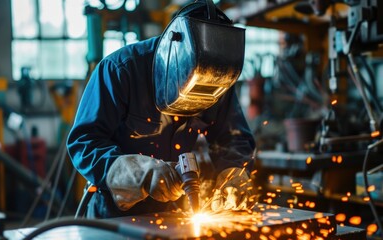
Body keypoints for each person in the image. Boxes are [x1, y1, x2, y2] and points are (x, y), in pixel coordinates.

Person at [67, 0, 256, 218]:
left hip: (173, 211)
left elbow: (234, 138)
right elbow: (84, 142)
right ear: (172, 58)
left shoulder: (218, 76)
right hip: (116, 213)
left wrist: (233, 172)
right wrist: (132, 171)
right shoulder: (120, 70)